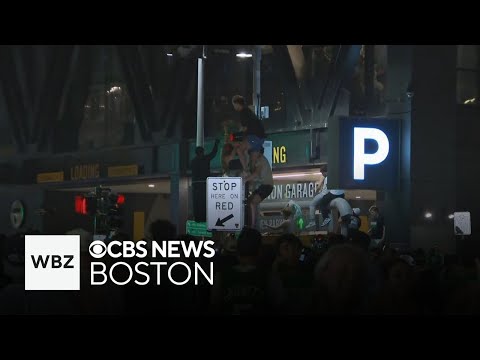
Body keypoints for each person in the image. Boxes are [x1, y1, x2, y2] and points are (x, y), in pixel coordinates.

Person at [231, 95, 266, 173]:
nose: (234, 107)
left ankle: (245, 170)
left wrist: (235, 136)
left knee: (239, 150)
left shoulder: (243, 112)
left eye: (234, 105)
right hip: (261, 138)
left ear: (237, 104)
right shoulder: (249, 111)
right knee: (252, 164)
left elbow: (244, 128)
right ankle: (252, 178)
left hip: (254, 137)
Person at [306, 165, 345, 230]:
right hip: (341, 194)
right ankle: (337, 217)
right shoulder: (336, 175)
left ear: (325, 172)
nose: (322, 174)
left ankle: (312, 221)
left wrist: (319, 192)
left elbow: (327, 189)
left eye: (322, 173)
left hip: (326, 194)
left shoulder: (327, 177)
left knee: (312, 204)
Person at [244, 147, 274, 230]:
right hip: (263, 186)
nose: (251, 156)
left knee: (252, 203)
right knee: (249, 202)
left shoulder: (260, 160)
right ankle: (253, 223)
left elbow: (256, 174)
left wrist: (244, 180)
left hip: (266, 186)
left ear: (257, 153)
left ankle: (252, 226)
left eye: (252, 153)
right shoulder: (258, 160)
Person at [190, 139, 219, 222]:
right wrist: (216, 143)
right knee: (204, 200)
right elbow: (213, 153)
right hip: (204, 183)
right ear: (202, 152)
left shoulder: (193, 161)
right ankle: (204, 217)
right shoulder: (205, 159)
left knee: (197, 201)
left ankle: (198, 218)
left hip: (195, 184)